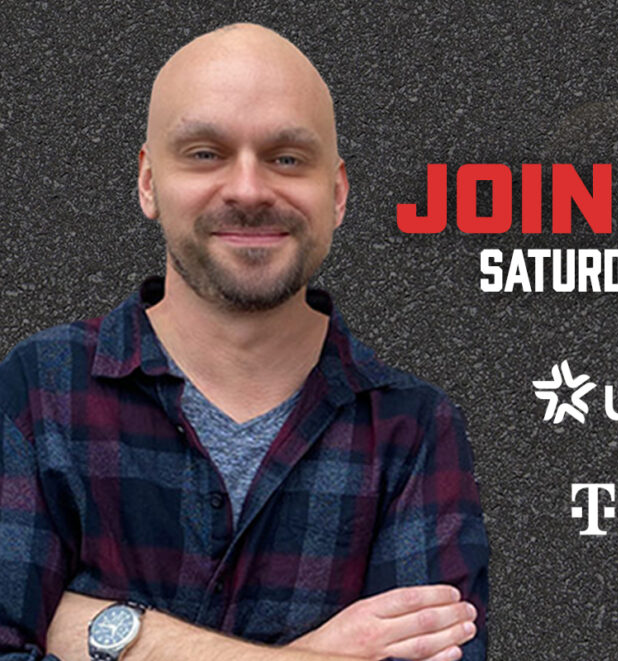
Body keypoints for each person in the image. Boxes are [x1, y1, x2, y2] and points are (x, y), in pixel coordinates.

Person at [0, 23, 488, 661]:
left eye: (287, 158)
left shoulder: (413, 430)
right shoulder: (40, 390)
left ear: (336, 193)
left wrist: (125, 638)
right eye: (205, 153)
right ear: (149, 183)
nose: (250, 190)